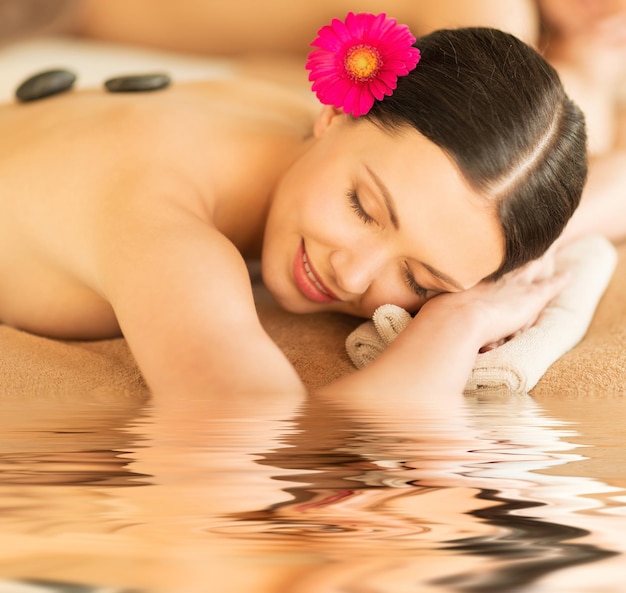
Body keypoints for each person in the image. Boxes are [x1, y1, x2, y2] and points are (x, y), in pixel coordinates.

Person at [0, 20, 586, 400]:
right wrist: (454, 327)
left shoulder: (283, 123)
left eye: (420, 281)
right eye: (362, 208)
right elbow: (270, 444)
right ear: (334, 114)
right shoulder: (171, 235)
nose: (352, 275)